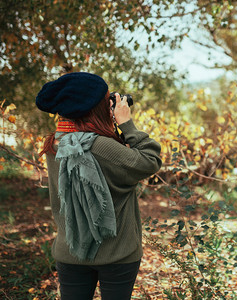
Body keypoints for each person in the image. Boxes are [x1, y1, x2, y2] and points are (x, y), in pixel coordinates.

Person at [36, 72, 162, 300]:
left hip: (70, 252)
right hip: (118, 255)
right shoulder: (103, 146)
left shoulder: (55, 144)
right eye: (106, 100)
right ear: (95, 108)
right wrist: (126, 124)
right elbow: (149, 160)